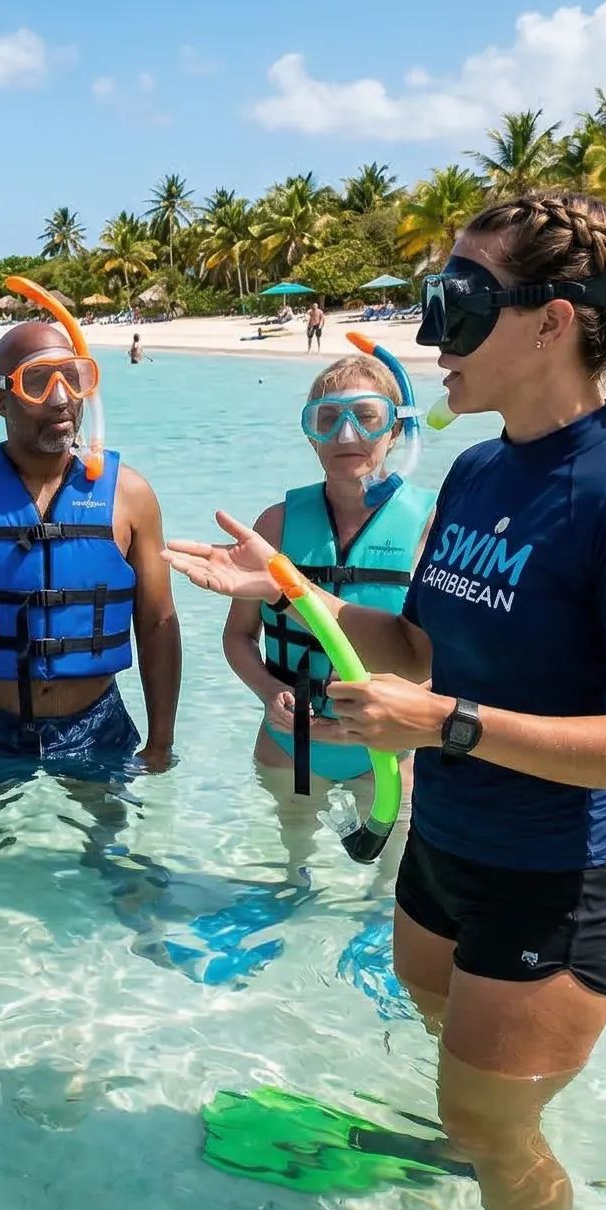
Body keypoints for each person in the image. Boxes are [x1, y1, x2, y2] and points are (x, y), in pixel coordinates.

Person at [166, 188, 606, 1210]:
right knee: (426, 1009)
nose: (432, 333)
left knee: (488, 1112)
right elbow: (428, 643)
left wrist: (446, 727)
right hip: (447, 854)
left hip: (554, 878)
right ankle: (471, 1149)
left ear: (554, 324)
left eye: (461, 304)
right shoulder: (479, 473)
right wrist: (297, 593)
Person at [0, 318, 179, 809]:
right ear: (1, 401)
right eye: (36, 381)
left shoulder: (130, 496)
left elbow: (157, 622)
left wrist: (161, 740)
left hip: (97, 723)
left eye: (73, 376)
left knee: (114, 867)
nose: (60, 397)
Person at [219, 350, 434, 862]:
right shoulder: (276, 525)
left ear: (396, 430)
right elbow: (237, 636)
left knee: (392, 883)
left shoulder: (432, 526)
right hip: (288, 743)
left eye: (365, 417)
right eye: (327, 419)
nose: (345, 435)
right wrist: (269, 691)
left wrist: (397, 712)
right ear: (310, 434)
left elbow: (451, 659)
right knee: (289, 865)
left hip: (390, 752)